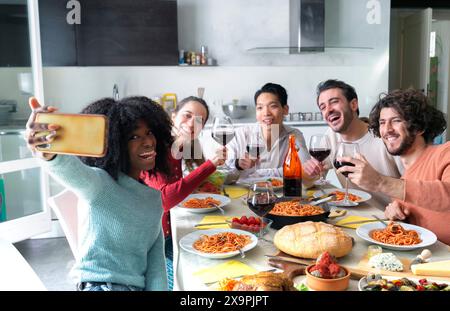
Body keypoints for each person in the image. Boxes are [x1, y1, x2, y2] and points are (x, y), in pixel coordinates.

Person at [26, 96, 173, 291]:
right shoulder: (99, 185)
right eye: (134, 137)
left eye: (149, 132)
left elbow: (156, 271)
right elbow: (63, 166)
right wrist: (45, 148)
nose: (148, 142)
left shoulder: (153, 199)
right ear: (115, 144)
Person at [336, 89, 450, 245]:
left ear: (418, 127)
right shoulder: (405, 178)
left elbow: (446, 195)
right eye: (382, 123)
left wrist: (380, 182)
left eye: (396, 120)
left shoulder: (445, 153)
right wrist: (394, 213)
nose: (387, 129)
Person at [141, 96, 226, 290]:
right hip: (152, 243)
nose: (191, 123)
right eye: (187, 115)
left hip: (168, 232)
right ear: (173, 116)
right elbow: (164, 199)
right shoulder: (157, 148)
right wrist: (210, 165)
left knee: (215, 256)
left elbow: (173, 185)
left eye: (199, 121)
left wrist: (198, 187)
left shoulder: (179, 147)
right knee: (198, 278)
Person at [303, 79, 403, 205]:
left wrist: (378, 180)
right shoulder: (331, 136)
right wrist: (308, 173)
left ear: (354, 104)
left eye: (334, 102)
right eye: (323, 107)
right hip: (355, 215)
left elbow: (414, 188)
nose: (328, 110)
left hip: (391, 219)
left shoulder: (386, 136)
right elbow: (310, 181)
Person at [225, 82, 316, 187]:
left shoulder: (294, 135)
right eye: (260, 108)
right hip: (244, 195)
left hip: (280, 197)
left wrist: (257, 173)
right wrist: (238, 165)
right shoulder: (240, 134)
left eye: (273, 106)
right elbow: (224, 176)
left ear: (285, 109)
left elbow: (305, 171)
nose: (266, 113)